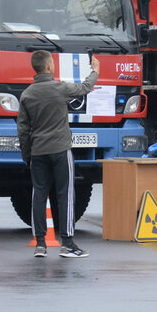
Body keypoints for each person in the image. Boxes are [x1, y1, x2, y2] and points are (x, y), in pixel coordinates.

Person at [17, 49, 100, 258]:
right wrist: (95, 72)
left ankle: (41, 244)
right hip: (61, 150)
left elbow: (23, 130)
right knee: (65, 195)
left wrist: (27, 156)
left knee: (39, 195)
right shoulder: (59, 88)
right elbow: (85, 88)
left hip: (38, 152)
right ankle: (68, 244)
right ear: (47, 66)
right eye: (52, 63)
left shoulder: (27, 95)